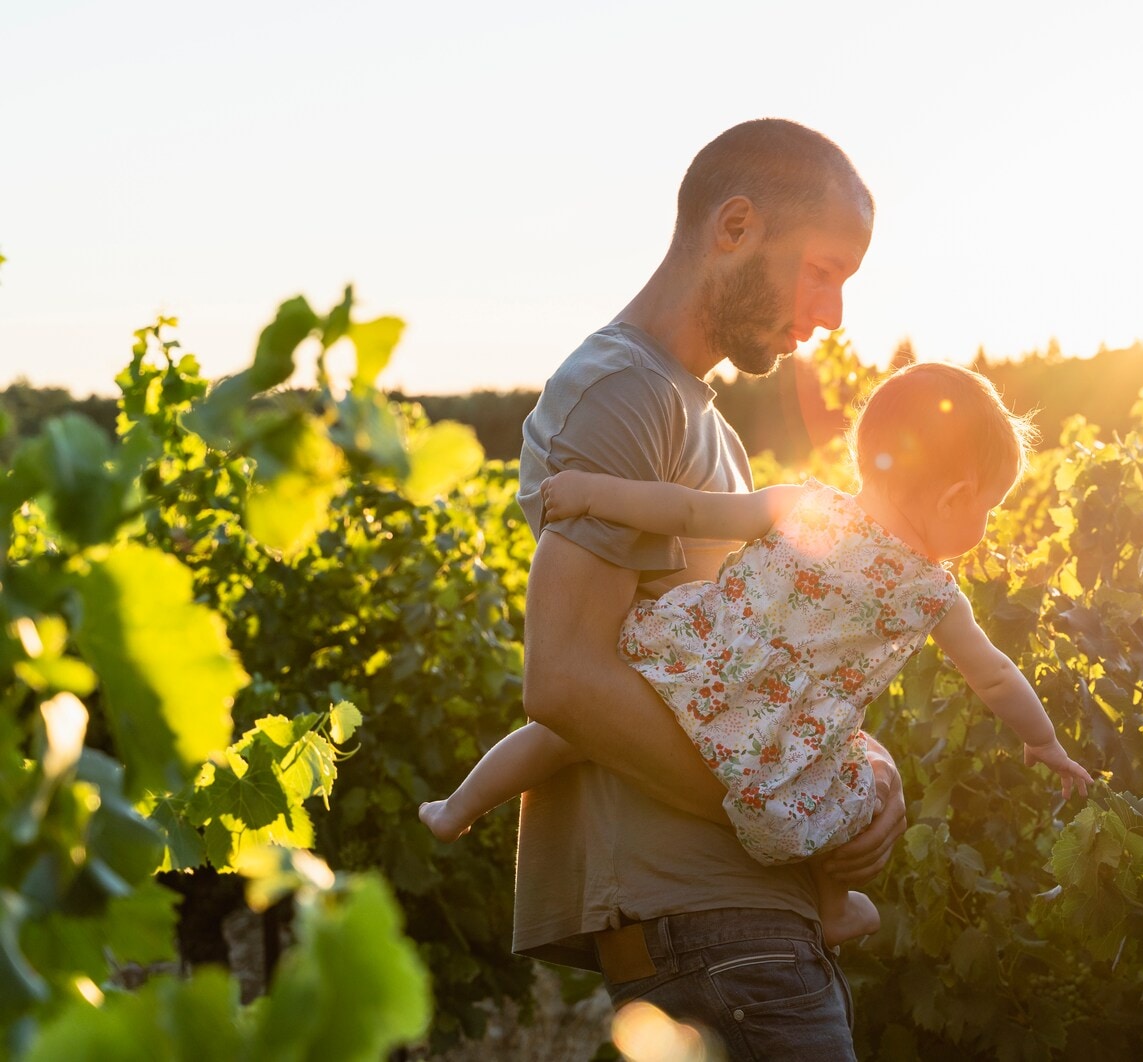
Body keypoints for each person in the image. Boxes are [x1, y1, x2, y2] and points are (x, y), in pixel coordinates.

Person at [421, 362, 1093, 948]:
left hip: (699, 661)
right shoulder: (931, 594)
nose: (984, 530)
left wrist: (594, 493)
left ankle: (457, 808)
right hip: (773, 738)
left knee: (566, 737)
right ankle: (833, 907)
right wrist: (1042, 741)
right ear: (955, 498)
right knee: (854, 791)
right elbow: (996, 678)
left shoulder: (805, 506)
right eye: (989, 512)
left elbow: (684, 513)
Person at [484, 118, 891, 1058]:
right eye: (823, 270)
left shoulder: (698, 419)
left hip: (740, 942)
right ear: (736, 225)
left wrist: (857, 773)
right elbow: (566, 681)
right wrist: (791, 816)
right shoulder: (620, 395)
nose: (831, 314)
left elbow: (732, 676)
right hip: (714, 944)